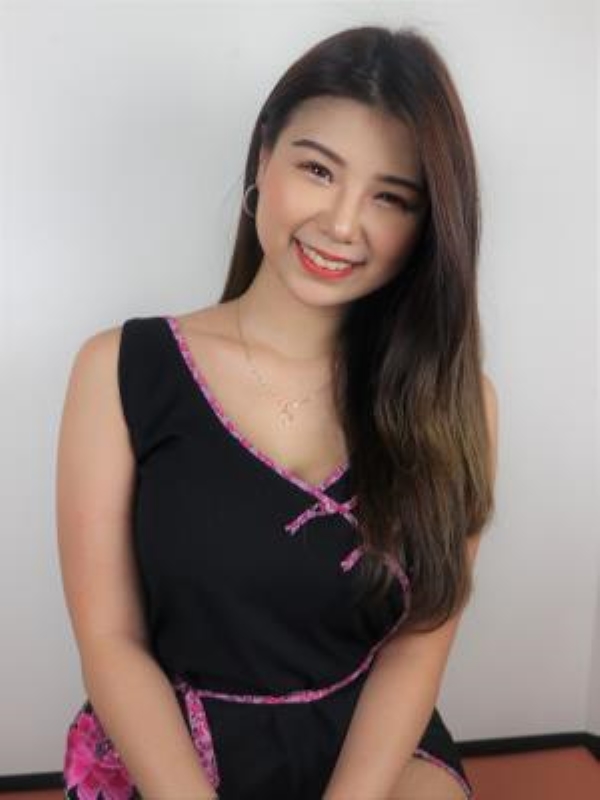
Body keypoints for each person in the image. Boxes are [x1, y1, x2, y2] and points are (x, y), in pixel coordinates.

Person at [56, 24, 498, 800]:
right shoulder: (119, 370)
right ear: (264, 156)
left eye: (390, 197)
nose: (342, 224)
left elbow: (418, 646)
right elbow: (111, 641)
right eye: (319, 170)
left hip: (369, 753)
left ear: (425, 227)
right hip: (170, 752)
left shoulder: (457, 405)